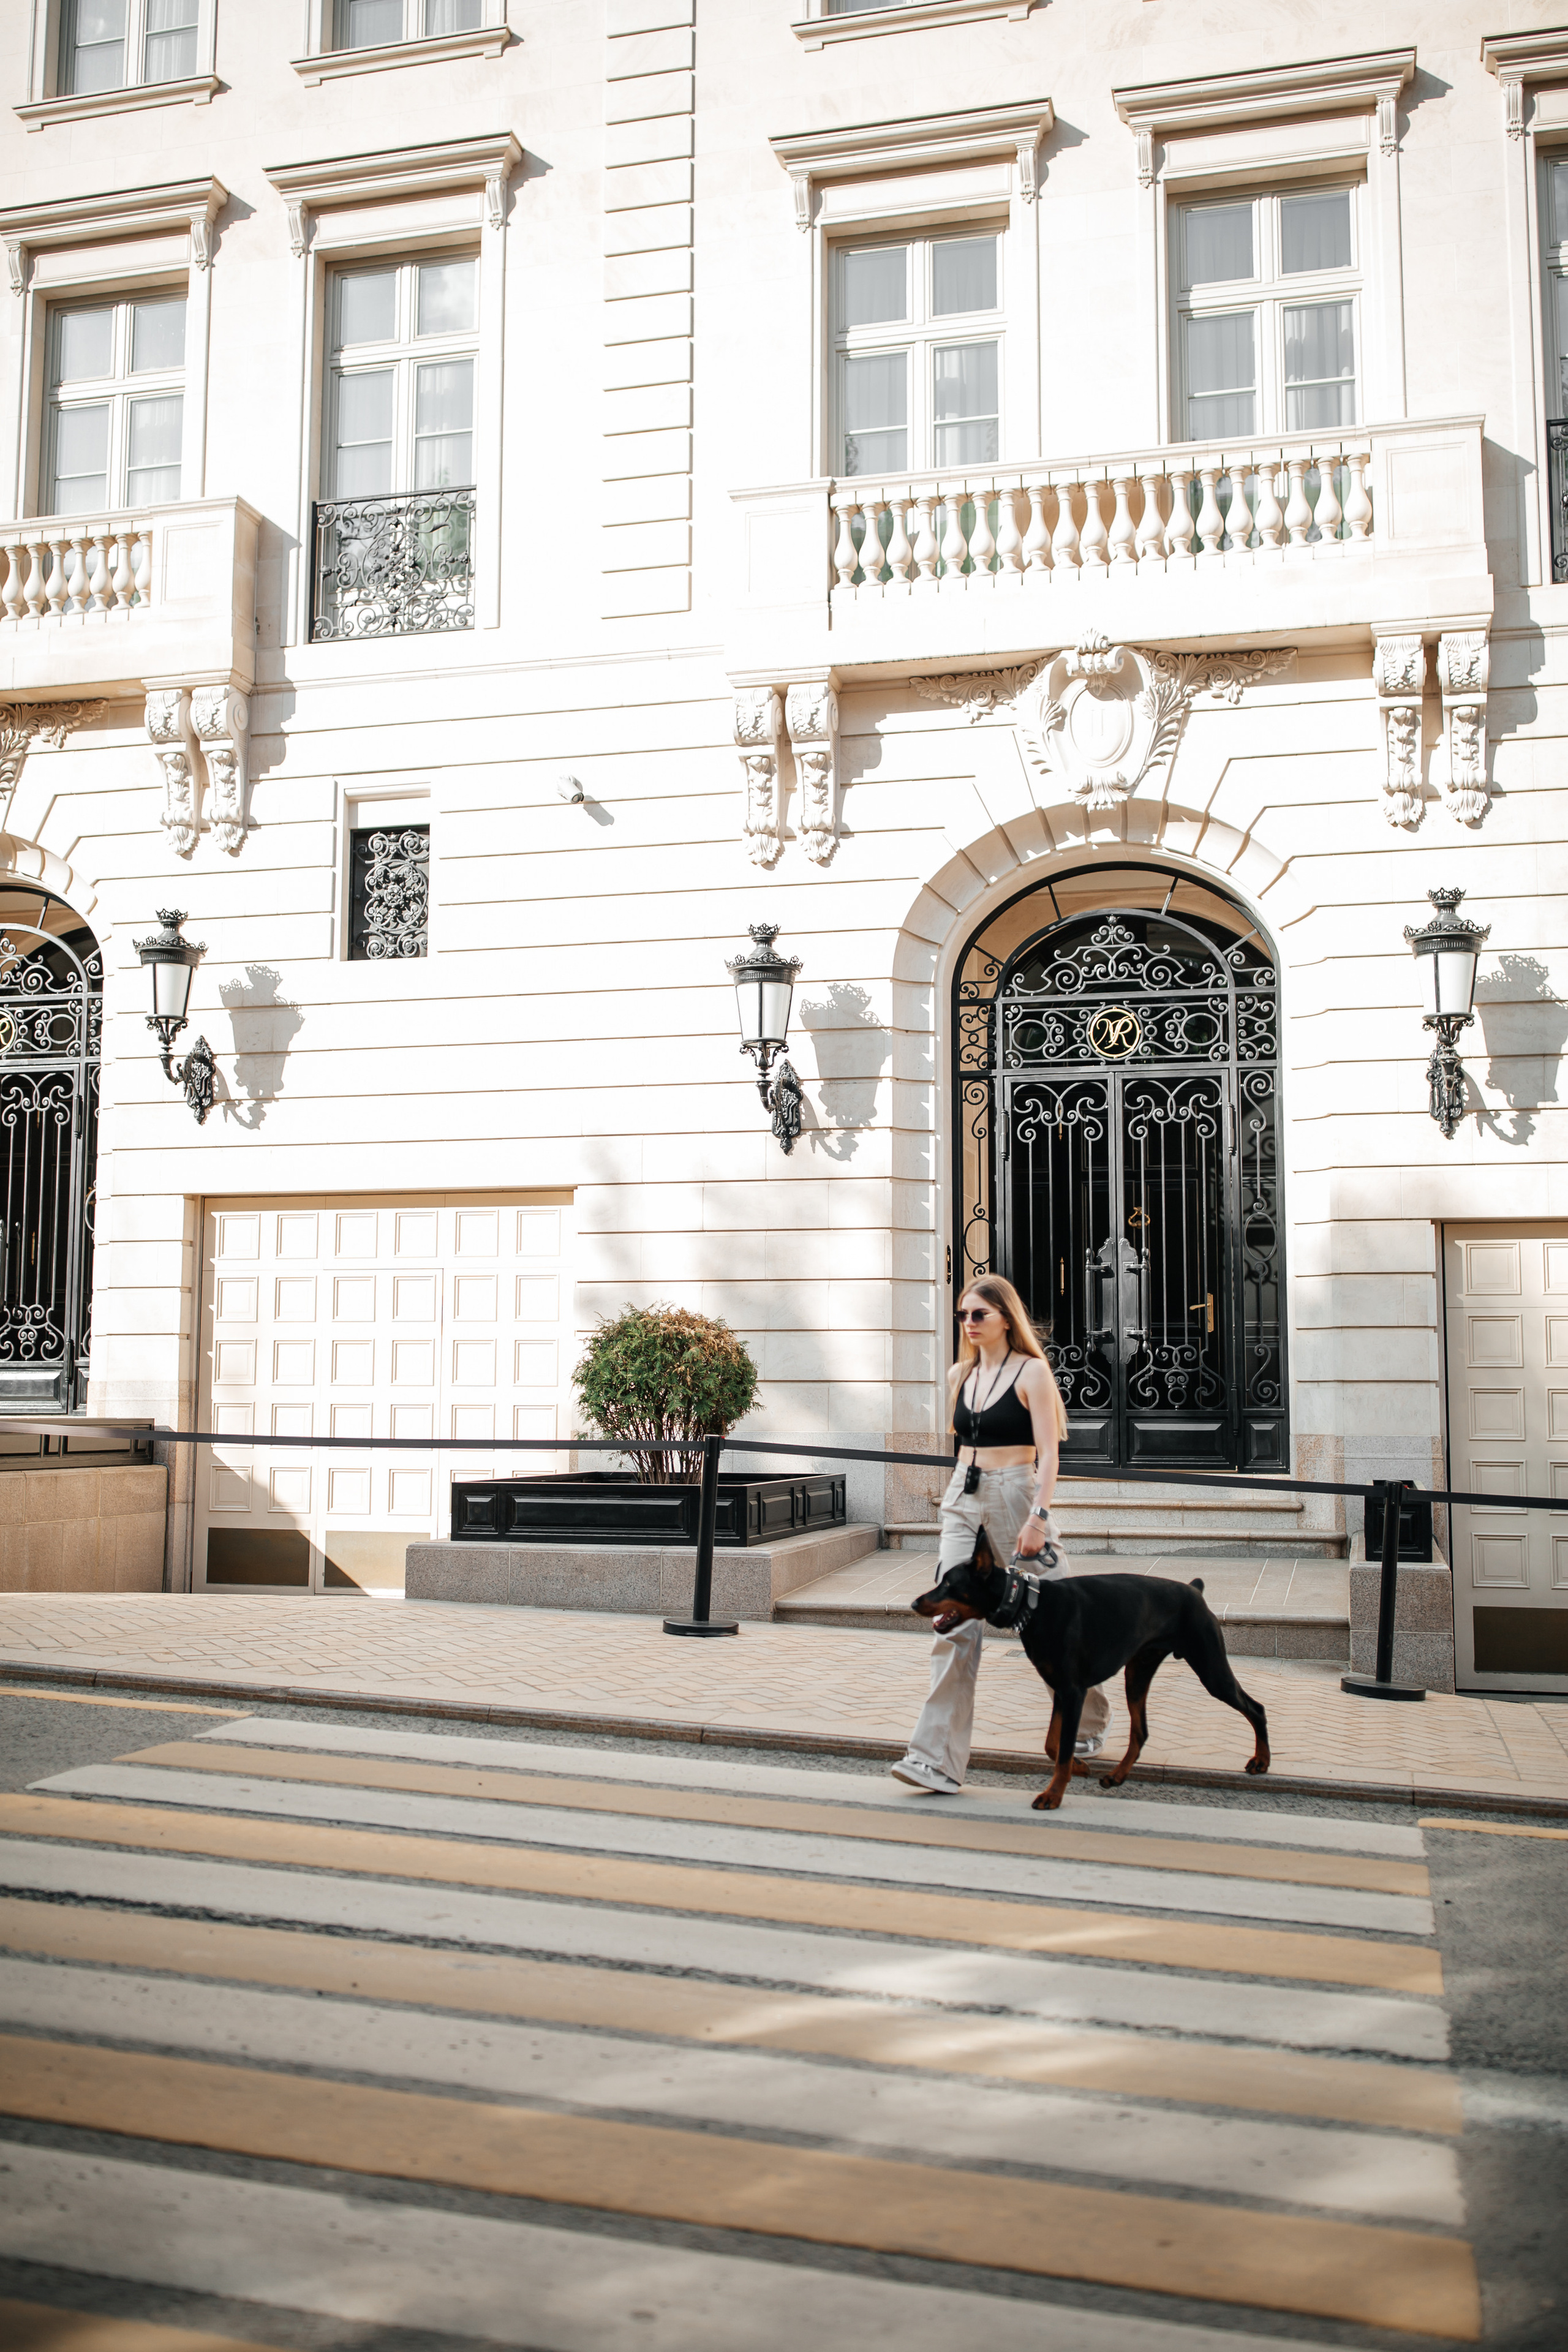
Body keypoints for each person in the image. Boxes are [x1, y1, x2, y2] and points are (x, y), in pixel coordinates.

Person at [892, 1273, 1112, 1795]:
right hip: (962, 1497)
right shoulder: (958, 1376)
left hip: (1017, 1493)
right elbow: (962, 1443)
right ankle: (934, 1761)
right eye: (963, 1315)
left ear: (1005, 1319)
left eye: (978, 1315)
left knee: (1063, 1608)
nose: (968, 1323)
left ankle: (1085, 1722)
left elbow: (1050, 1453)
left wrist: (1039, 1515)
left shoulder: (1032, 1372)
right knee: (953, 1619)